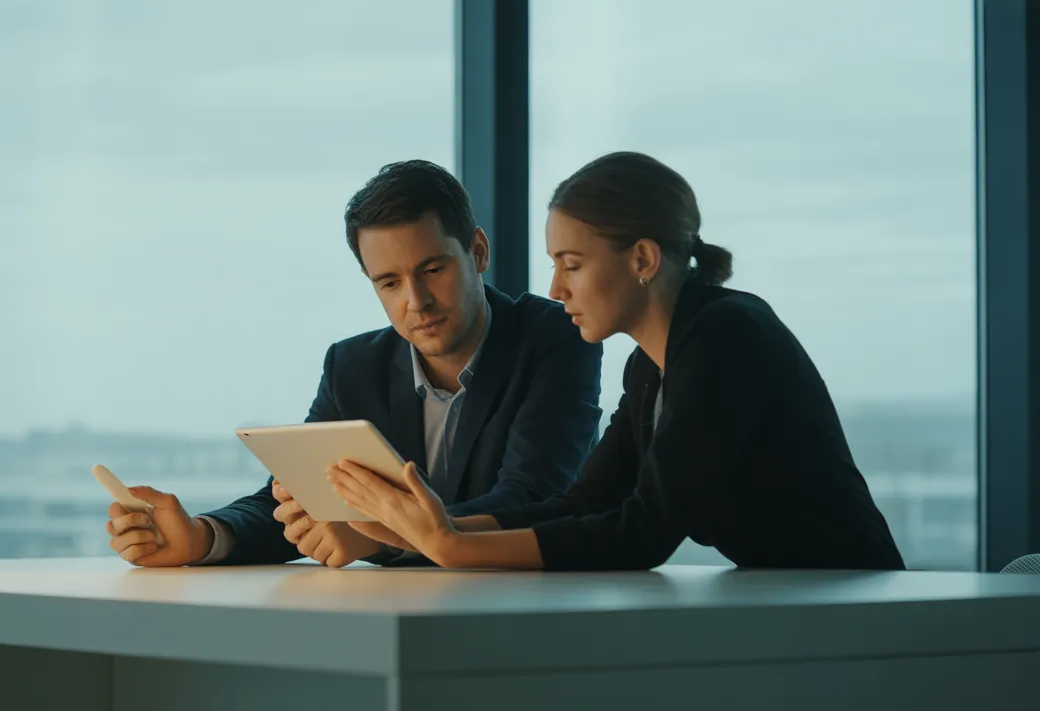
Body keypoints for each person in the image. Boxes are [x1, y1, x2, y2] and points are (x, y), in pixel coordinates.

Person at [330, 151, 906, 571]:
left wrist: (452, 547)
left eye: (572, 264)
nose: (555, 289)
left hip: (863, 610)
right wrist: (423, 529)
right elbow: (585, 504)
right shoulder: (649, 368)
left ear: (643, 259)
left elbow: (643, 535)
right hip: (793, 605)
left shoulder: (727, 337)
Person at [105, 160, 604, 568]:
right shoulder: (353, 365)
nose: (417, 301)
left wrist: (385, 536)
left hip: (533, 611)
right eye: (389, 282)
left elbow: (532, 498)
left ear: (477, 251)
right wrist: (202, 536)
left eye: (433, 270)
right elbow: (298, 502)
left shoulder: (557, 338)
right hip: (398, 617)